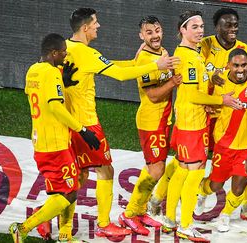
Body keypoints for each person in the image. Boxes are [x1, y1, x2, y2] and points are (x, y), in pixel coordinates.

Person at [64, 8, 180, 238]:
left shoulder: (67, 48)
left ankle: (47, 215)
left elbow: (112, 66)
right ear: (85, 27)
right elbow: (119, 74)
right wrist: (155, 66)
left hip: (69, 122)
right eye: (95, 23)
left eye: (157, 30)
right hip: (86, 123)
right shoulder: (86, 53)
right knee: (105, 171)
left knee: (80, 176)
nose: (98, 26)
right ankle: (109, 221)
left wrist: (139, 63)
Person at [9, 33, 99, 243]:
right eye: (63, 52)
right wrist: (82, 130)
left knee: (64, 191)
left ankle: (65, 236)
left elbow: (38, 97)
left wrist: (62, 84)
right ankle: (23, 227)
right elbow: (55, 106)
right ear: (53, 53)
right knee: (68, 192)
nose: (66, 56)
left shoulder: (32, 70)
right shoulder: (51, 73)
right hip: (55, 145)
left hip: (40, 141)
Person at [160, 10, 241, 242]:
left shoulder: (186, 53)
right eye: (194, 26)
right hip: (193, 124)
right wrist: (221, 100)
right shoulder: (190, 57)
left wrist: (214, 76)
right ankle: (186, 226)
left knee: (182, 171)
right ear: (182, 30)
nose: (200, 30)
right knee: (194, 174)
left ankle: (169, 220)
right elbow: (194, 94)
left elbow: (191, 88)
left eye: (202, 26)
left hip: (185, 120)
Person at [195, 7, 247, 223]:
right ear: (217, 26)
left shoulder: (245, 49)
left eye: (235, 25)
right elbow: (196, 71)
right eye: (228, 25)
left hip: (231, 114)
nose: (233, 29)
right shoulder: (206, 44)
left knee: (242, 167)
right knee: (198, 163)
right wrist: (211, 78)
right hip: (207, 112)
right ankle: (194, 193)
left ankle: (245, 207)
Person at [115, 16, 182, 236]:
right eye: (149, 32)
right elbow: (152, 95)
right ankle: (130, 213)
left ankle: (141, 210)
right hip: (150, 120)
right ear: (141, 35)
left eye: (157, 30)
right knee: (157, 169)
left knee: (156, 167)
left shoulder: (162, 52)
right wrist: (173, 82)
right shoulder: (146, 59)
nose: (155, 35)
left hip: (163, 119)